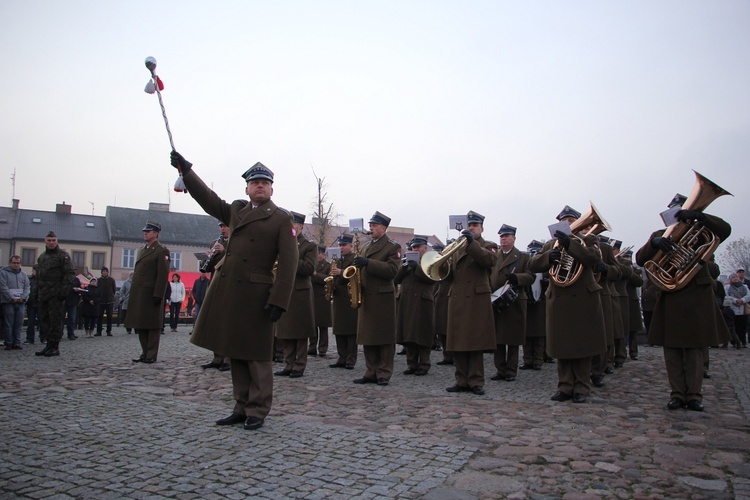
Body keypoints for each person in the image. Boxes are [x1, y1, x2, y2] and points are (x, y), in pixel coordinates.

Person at [172, 151, 297, 431]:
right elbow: (208, 199)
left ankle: (258, 408)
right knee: (235, 352)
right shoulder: (237, 210)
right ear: (247, 188)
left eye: (265, 182)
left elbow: (290, 264)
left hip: (258, 296)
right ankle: (240, 406)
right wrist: (187, 172)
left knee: (258, 356)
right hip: (231, 292)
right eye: (255, 183)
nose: (260, 186)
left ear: (272, 188)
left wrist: (280, 299)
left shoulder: (280, 219)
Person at [635, 200, 731, 412]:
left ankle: (695, 395)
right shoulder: (660, 234)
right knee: (673, 350)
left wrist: (701, 216)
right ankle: (677, 393)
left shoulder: (703, 230)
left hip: (697, 295)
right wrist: (655, 244)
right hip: (671, 295)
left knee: (695, 349)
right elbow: (640, 259)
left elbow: (726, 229)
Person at [528, 205, 606, 404]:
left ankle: (581, 386)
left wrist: (570, 244)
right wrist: (548, 257)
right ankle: (564, 386)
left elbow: (593, 259)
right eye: (566, 221)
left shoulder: (589, 239)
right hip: (559, 299)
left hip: (582, 299)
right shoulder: (551, 244)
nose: (569, 224)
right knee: (561, 344)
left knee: (581, 345)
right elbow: (533, 264)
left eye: (573, 221)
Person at [445, 211, 498, 395]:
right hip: (458, 298)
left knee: (475, 342)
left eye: (475, 225)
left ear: (481, 228)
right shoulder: (456, 247)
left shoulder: (488, 245)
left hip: (476, 300)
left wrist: (472, 243)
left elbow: (489, 261)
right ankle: (461, 380)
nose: (471, 228)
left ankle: (476, 381)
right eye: (469, 225)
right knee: (458, 342)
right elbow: (450, 274)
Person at [351, 212, 401, 386]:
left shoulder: (393, 247)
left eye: (374, 225)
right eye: (370, 225)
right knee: (368, 337)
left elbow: (392, 271)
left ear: (383, 228)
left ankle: (384, 373)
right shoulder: (365, 247)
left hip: (383, 298)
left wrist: (368, 263)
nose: (371, 228)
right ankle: (370, 371)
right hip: (367, 296)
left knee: (384, 337)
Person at [490, 224, 535, 382]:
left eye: (507, 236)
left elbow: (531, 276)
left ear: (514, 239)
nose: (503, 239)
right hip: (497, 299)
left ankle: (511, 371)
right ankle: (500, 369)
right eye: (501, 236)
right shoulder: (495, 256)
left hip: (514, 300)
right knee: (498, 338)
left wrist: (518, 278)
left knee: (513, 339)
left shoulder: (523, 257)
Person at [274, 211, 317, 378]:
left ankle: (299, 365)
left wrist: (289, 260)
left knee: (299, 332)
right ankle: (288, 363)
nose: (292, 227)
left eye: (294, 224)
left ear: (300, 226)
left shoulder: (309, 246)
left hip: (300, 293)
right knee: (286, 331)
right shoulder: (282, 243)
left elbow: (308, 268)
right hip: (284, 290)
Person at [125, 221, 171, 363]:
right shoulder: (141, 250)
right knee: (141, 323)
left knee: (152, 325)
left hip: (152, 293)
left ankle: (151, 354)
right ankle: (144, 352)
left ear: (156, 233)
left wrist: (158, 294)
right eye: (145, 231)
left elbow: (163, 275)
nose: (145, 233)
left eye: (149, 231)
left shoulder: (161, 251)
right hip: (140, 293)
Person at [395, 236, 436, 376]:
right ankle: (411, 363)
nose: (415, 249)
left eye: (418, 247)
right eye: (413, 247)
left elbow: (431, 279)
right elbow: (396, 279)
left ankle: (424, 364)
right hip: (407, 302)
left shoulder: (431, 260)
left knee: (423, 334)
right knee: (408, 334)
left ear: (425, 248)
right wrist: (404, 266)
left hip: (423, 302)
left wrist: (416, 267)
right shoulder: (407, 262)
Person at [34, 231, 76, 357]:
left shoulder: (63, 256)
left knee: (55, 321)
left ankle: (55, 346)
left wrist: (63, 291)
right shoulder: (42, 257)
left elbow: (69, 274)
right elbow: (39, 276)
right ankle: (48, 345)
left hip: (56, 294)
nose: (51, 243)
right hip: (44, 293)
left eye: (53, 240)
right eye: (49, 240)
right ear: (45, 241)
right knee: (45, 320)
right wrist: (37, 292)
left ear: (57, 241)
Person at [329, 234, 359, 370]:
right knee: (339, 329)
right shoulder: (337, 260)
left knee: (350, 330)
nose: (341, 247)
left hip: (349, 297)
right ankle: (342, 357)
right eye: (340, 245)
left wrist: (340, 272)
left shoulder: (354, 259)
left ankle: (351, 359)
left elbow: (354, 274)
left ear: (350, 246)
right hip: (338, 297)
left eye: (344, 245)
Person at [521, 240, 547, 370]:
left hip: (541, 300)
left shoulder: (544, 265)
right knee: (526, 332)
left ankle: (538, 359)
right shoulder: (527, 262)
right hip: (528, 299)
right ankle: (527, 359)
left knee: (539, 333)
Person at [1, 255, 30, 350]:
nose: (16, 265)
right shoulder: (3, 273)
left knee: (18, 323)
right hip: (8, 302)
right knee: (8, 323)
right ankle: (8, 342)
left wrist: (23, 297)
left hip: (21, 302)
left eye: (18, 263)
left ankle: (17, 342)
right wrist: (11, 297)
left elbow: (27, 288)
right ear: (10, 263)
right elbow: (3, 287)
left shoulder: (24, 275)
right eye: (14, 263)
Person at [310, 246, 332, 357]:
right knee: (312, 324)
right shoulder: (311, 265)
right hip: (312, 296)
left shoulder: (328, 265)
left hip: (323, 298)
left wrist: (316, 275)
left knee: (323, 325)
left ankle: (323, 348)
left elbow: (328, 279)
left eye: (320, 253)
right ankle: (312, 347)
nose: (318, 255)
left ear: (323, 254)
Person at [724, 273, 750, 348]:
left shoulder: (744, 287)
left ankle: (743, 341)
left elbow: (748, 295)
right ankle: (734, 342)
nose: (735, 278)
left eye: (736, 277)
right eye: (733, 277)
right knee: (734, 327)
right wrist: (736, 301)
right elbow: (727, 296)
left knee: (742, 326)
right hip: (733, 308)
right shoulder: (727, 287)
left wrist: (742, 300)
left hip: (743, 309)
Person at [24, 266, 44, 344]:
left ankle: (43, 338)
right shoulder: (29, 280)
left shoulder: (43, 281)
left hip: (41, 303)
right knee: (30, 322)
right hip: (31, 303)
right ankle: (29, 338)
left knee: (42, 322)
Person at [95, 266, 116, 337]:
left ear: (107, 272)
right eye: (103, 271)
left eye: (105, 271)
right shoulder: (99, 280)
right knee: (99, 317)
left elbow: (114, 289)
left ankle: (108, 331)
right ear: (101, 272)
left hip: (109, 301)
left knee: (109, 317)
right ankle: (98, 331)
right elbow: (97, 289)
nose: (104, 272)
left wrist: (111, 296)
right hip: (101, 301)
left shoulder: (111, 280)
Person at [63, 275, 82, 340]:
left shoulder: (76, 280)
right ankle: (59, 334)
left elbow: (80, 289)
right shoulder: (63, 278)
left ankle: (71, 334)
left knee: (72, 319)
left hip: (73, 301)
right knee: (61, 319)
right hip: (64, 301)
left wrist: (78, 290)